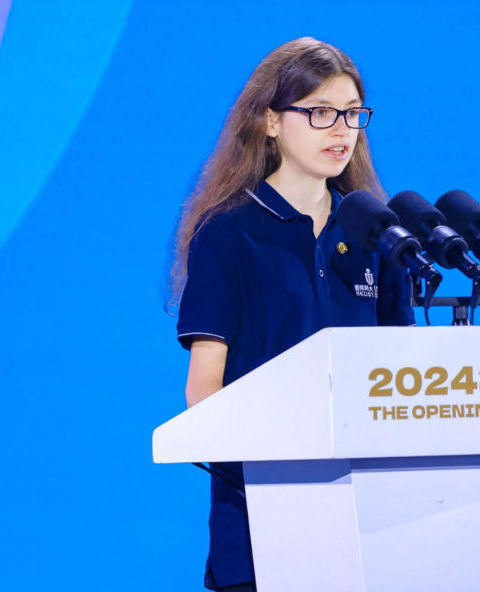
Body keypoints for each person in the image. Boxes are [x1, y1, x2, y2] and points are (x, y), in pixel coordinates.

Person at [169, 37, 415, 591]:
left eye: (352, 114)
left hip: (368, 519)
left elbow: (404, 379)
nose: (341, 130)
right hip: (262, 518)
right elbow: (204, 390)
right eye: (320, 112)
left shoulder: (379, 235)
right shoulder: (228, 233)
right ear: (270, 121)